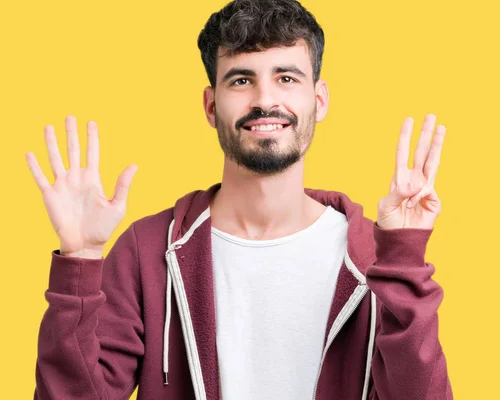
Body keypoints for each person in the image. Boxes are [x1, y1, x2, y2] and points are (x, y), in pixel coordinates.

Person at [26, 0, 452, 398]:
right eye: (242, 79)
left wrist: (405, 259)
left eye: (286, 78)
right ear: (211, 106)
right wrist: (79, 261)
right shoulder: (147, 249)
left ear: (318, 100)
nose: (265, 100)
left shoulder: (375, 258)